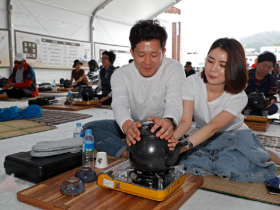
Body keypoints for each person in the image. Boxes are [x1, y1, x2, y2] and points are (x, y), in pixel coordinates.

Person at [168, 38, 278, 183]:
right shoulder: (192, 82)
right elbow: (186, 121)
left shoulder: (239, 97)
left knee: (245, 163)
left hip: (234, 136)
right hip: (203, 136)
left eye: (222, 65)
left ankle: (260, 152)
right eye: (210, 61)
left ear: (234, 67)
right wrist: (171, 143)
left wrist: (182, 146)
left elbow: (212, 127)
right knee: (187, 159)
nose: (213, 69)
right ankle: (257, 151)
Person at [83, 19, 185, 158]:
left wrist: (169, 121)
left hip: (165, 128)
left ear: (163, 52)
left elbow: (175, 100)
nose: (147, 61)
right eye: (141, 55)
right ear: (132, 52)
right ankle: (131, 154)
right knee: (89, 129)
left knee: (177, 137)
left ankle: (144, 150)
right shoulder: (121, 74)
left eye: (154, 55)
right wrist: (128, 126)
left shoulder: (174, 68)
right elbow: (119, 103)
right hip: (137, 127)